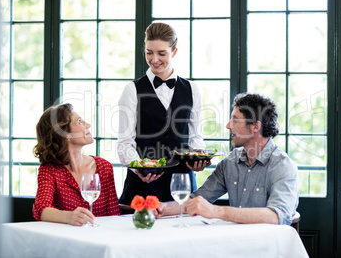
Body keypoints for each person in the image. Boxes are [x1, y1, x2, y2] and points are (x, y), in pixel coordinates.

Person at [156, 93, 299, 225]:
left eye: (235, 120)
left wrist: (217, 211)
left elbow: (277, 216)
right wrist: (162, 208)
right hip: (234, 243)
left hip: (266, 248)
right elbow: (196, 201)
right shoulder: (231, 161)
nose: (228, 125)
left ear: (255, 126)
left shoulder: (282, 166)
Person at [117, 22, 210, 207]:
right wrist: (140, 168)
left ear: (174, 52)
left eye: (161, 53)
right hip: (143, 185)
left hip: (182, 184)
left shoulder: (192, 89)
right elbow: (125, 143)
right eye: (149, 52)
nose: (154, 59)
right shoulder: (131, 90)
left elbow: (195, 137)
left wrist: (198, 157)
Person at [32, 103, 120, 226]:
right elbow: (41, 209)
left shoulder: (104, 167)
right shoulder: (50, 170)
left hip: (101, 237)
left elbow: (113, 213)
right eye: (79, 121)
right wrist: (69, 216)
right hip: (68, 241)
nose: (88, 125)